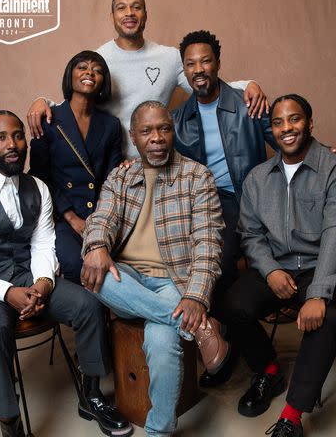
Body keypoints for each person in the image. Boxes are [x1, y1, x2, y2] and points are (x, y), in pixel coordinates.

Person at [0, 111, 132, 437]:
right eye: (1, 137)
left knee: (88, 304)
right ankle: (11, 423)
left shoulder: (38, 187)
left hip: (26, 275)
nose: (12, 145)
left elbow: (43, 245)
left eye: (18, 136)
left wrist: (43, 284)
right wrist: (7, 293)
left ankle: (91, 395)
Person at [80, 100, 227, 437]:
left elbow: (208, 245)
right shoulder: (120, 175)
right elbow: (101, 217)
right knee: (97, 278)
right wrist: (98, 245)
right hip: (126, 277)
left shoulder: (197, 176)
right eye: (146, 131)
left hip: (173, 280)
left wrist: (196, 297)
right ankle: (202, 328)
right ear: (134, 136)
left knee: (162, 344)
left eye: (163, 128)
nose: (157, 137)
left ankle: (158, 432)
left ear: (172, 132)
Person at [26, 0, 269, 158]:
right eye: (121, 8)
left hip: (159, 159)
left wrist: (249, 84)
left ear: (145, 15)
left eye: (136, 7)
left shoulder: (170, 57)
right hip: (112, 163)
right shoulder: (99, 59)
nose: (129, 13)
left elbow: (206, 86)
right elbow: (78, 104)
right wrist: (44, 102)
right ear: (112, 17)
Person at [221, 94, 336, 436]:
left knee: (327, 317)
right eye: (278, 122)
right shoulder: (258, 178)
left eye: (295, 119)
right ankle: (268, 370)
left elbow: (334, 232)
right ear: (270, 130)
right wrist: (270, 270)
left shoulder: (331, 168)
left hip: (320, 267)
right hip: (277, 266)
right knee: (231, 305)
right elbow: (250, 234)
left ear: (310, 123)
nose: (287, 128)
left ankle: (291, 415)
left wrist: (318, 293)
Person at [172, 29, 278, 386]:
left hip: (243, 199)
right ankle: (229, 346)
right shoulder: (178, 119)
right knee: (203, 264)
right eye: (190, 64)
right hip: (203, 204)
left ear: (218, 64)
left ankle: (238, 353)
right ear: (184, 71)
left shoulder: (246, 103)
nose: (198, 69)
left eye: (205, 61)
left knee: (215, 261)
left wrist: (322, 154)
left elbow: (285, 137)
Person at [29, 50, 122, 284]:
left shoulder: (111, 124)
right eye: (82, 67)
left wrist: (100, 219)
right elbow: (40, 178)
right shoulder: (49, 120)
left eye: (98, 70)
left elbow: (113, 178)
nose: (90, 72)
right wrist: (71, 218)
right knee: (74, 265)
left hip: (100, 216)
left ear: (103, 82)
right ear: (70, 75)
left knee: (119, 265)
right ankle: (94, 317)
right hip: (62, 215)